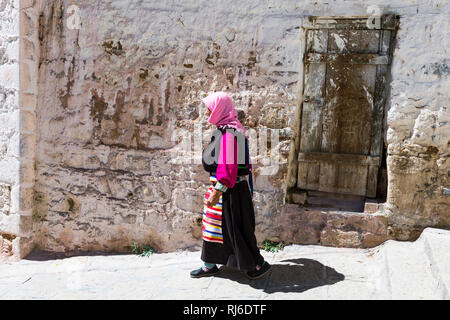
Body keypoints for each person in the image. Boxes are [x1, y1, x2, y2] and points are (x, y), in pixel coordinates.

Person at [190, 91, 271, 280]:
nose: (208, 110)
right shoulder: (225, 130)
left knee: (235, 230)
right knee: (215, 229)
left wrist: (218, 191)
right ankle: (210, 265)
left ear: (220, 109)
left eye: (211, 107)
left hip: (229, 191)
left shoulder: (228, 134)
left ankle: (257, 265)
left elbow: (228, 166)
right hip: (225, 188)